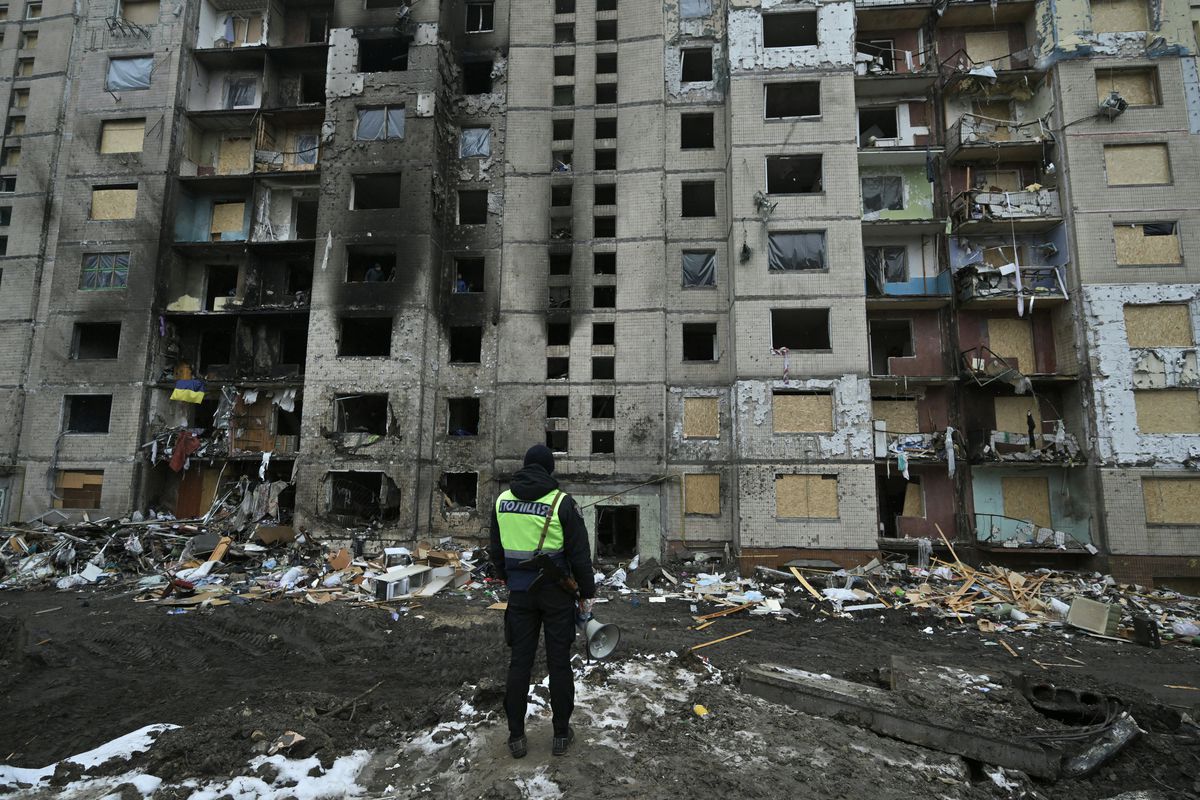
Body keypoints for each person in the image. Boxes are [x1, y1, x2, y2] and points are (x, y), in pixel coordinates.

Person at [489, 444, 595, 759]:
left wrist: (511, 580)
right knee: (559, 663)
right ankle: (561, 734)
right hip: (557, 595)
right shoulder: (563, 503)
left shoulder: (502, 501)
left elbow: (496, 551)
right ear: (549, 470)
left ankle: (516, 736)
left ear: (524, 466)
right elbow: (579, 554)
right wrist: (586, 593)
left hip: (520, 595)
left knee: (519, 663)